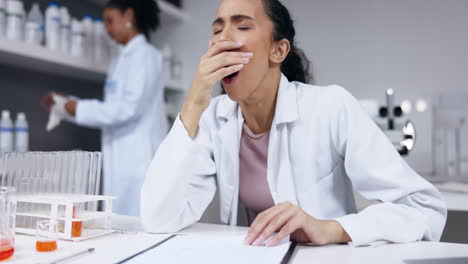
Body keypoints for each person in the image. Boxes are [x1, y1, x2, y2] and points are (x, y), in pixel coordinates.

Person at [140, 0, 446, 247]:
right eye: (217, 30)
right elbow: (158, 218)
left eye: (242, 26)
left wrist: (329, 228)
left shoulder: (330, 107)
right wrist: (194, 100)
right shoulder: (212, 118)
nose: (223, 40)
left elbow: (424, 209)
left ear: (278, 50)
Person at [42, 0, 167, 216]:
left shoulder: (145, 55)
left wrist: (77, 108)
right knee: (120, 225)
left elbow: (128, 108)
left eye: (110, 21)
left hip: (139, 160)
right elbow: (112, 108)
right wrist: (68, 106)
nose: (107, 29)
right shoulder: (121, 60)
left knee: (137, 228)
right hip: (121, 159)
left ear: (129, 15)